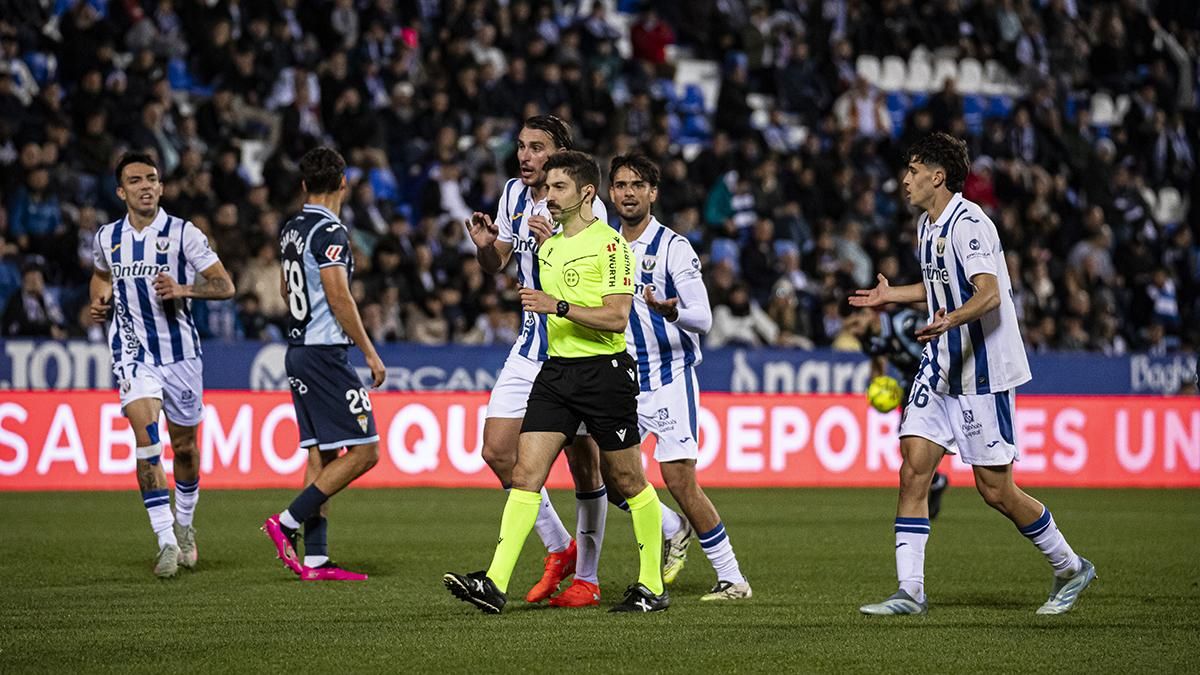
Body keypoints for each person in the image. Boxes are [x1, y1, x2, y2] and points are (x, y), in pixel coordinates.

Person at [851, 133, 1094, 616]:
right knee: (913, 470)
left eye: (914, 171)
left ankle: (1070, 566)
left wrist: (953, 318)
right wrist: (892, 296)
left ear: (937, 177)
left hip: (982, 370)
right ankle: (910, 591)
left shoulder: (970, 223)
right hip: (941, 363)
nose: (905, 180)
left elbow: (988, 292)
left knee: (995, 490)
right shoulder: (927, 225)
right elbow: (939, 284)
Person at [444, 151, 668, 614]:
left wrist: (557, 307)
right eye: (547, 188)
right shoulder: (547, 248)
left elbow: (616, 317)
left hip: (604, 375)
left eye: (558, 188)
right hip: (556, 373)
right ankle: (494, 582)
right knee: (526, 474)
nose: (548, 196)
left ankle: (652, 587)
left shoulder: (610, 246)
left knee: (627, 478)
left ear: (586, 193)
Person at [461, 115, 610, 604]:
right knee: (497, 451)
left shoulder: (589, 209)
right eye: (521, 147)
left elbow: (592, 291)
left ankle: (587, 578)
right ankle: (559, 545)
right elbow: (498, 261)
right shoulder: (511, 195)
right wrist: (485, 249)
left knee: (585, 465)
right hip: (529, 346)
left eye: (537, 148)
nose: (524, 156)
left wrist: (553, 248)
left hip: (575, 346)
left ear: (561, 153)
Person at [608, 153, 752, 600]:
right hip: (624, 379)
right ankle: (672, 526)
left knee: (680, 481)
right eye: (620, 185)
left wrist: (674, 312)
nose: (627, 193)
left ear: (653, 193)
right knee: (607, 473)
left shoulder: (674, 248)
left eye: (637, 185)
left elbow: (704, 319)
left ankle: (733, 579)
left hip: (669, 377)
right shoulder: (602, 243)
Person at [89, 151, 235, 578]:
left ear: (162, 187)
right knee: (147, 440)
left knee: (185, 448)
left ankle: (185, 526)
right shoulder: (106, 238)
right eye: (135, 180)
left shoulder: (183, 233)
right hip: (133, 354)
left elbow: (225, 285)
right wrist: (98, 303)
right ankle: (166, 540)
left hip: (181, 356)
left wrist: (184, 289)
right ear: (121, 191)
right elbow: (101, 276)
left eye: (151, 178)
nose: (145, 186)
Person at [261, 147, 387, 581]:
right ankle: (288, 521)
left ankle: (315, 558)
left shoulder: (292, 228)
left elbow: (283, 288)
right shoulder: (330, 232)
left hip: (297, 348)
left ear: (303, 186)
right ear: (343, 184)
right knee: (366, 450)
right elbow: (339, 296)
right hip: (324, 352)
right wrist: (368, 350)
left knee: (321, 452)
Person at [844, 306, 950, 518]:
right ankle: (935, 481)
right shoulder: (867, 337)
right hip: (912, 384)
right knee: (907, 445)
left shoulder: (903, 321)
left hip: (939, 380)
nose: (853, 331)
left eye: (855, 324)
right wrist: (877, 390)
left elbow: (940, 340)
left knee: (930, 442)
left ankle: (928, 486)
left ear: (868, 313)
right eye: (849, 328)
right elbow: (877, 362)